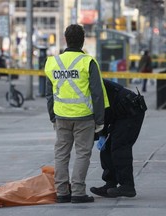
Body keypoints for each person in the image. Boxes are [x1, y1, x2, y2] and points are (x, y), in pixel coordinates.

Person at [45, 24, 109, 203]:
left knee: (61, 154)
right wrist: (100, 119)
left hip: (61, 117)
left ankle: (62, 192)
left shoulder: (53, 63)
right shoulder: (88, 62)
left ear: (66, 39)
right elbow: (97, 93)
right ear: (83, 40)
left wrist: (52, 115)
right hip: (84, 117)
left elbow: (49, 94)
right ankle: (78, 192)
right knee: (82, 154)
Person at [90, 79, 147, 198]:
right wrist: (101, 135)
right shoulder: (85, 85)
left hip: (130, 111)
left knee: (119, 147)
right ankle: (110, 184)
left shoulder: (93, 84)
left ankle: (127, 186)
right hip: (116, 113)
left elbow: (101, 111)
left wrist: (101, 133)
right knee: (107, 148)